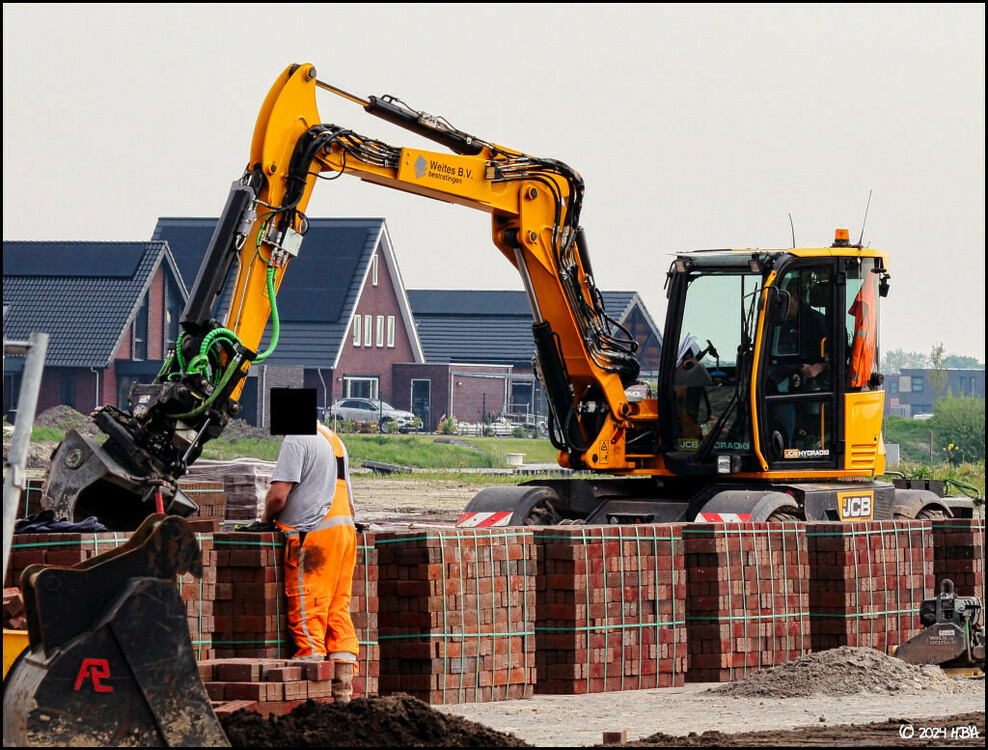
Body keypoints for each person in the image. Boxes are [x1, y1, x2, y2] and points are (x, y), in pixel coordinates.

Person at [261, 420, 359, 702]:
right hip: (344, 534)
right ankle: (342, 695)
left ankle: (312, 696)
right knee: (337, 612)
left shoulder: (296, 437)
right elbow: (350, 502)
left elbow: (279, 495)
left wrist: (266, 518)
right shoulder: (332, 438)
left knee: (308, 612)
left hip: (315, 538)